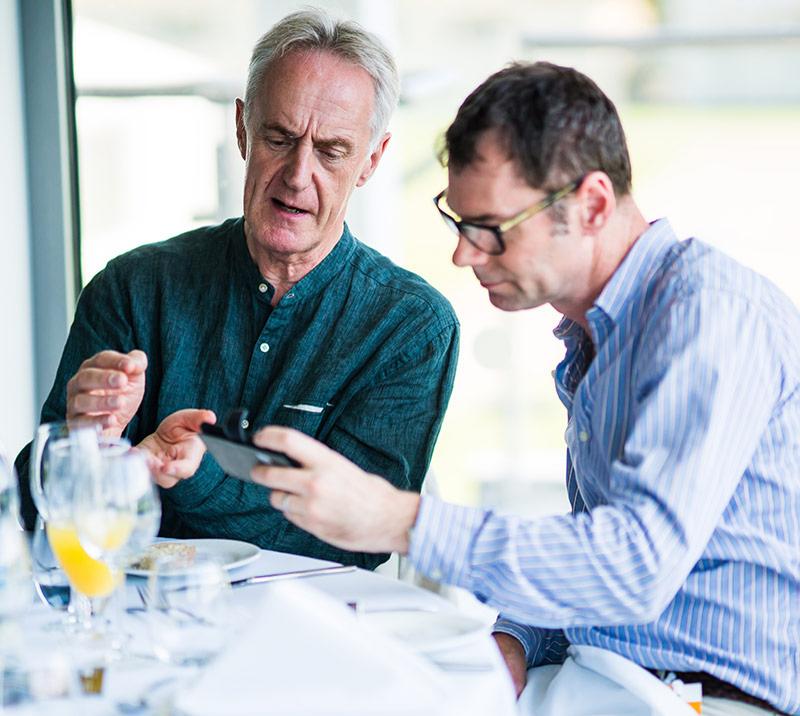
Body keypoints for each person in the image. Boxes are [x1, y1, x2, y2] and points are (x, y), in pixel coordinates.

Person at [246, 62, 800, 715]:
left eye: (490, 228)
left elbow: (634, 567)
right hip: (611, 675)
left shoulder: (709, 315)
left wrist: (399, 519)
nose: (463, 254)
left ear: (592, 205)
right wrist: (517, 636)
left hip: (707, 696)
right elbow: (592, 550)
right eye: (459, 221)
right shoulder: (600, 333)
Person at [15, 8, 459, 570]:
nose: (298, 174)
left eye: (331, 151)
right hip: (138, 610)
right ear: (243, 129)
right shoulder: (132, 287)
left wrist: (199, 472)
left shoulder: (410, 324)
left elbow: (358, 540)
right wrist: (82, 445)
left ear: (371, 161)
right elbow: (32, 507)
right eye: (280, 137)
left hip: (316, 617)